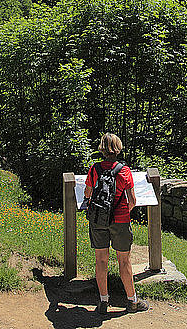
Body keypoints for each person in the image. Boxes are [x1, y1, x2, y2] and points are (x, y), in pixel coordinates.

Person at [84, 133, 149, 315]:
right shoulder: (124, 171)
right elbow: (133, 200)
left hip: (98, 221)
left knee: (101, 260)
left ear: (102, 149)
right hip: (120, 221)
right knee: (124, 261)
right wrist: (121, 213)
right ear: (118, 148)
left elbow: (88, 194)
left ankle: (104, 301)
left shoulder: (94, 169)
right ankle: (132, 301)